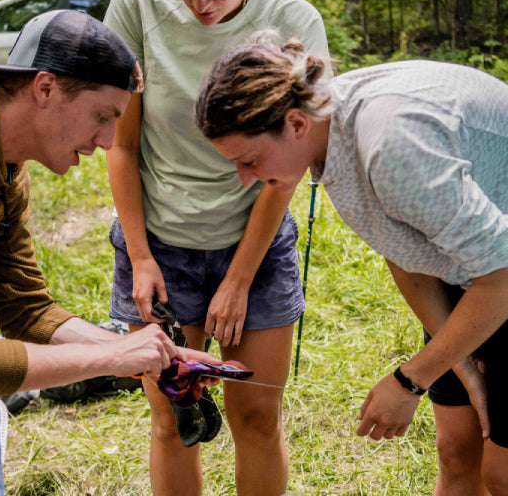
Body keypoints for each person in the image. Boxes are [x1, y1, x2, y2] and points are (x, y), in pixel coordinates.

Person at [0, 9, 218, 496]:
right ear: (46, 88)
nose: (109, 141)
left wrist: (152, 357)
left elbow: (24, 307)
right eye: (102, 117)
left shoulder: (4, 160)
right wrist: (113, 356)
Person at [195, 32, 508, 496]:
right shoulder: (330, 135)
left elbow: (502, 276)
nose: (246, 180)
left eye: (250, 160)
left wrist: (409, 380)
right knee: (458, 452)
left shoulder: (390, 146)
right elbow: (405, 249)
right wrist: (459, 364)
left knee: (500, 475)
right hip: (472, 272)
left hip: (497, 276)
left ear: (296, 123)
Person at [103, 0, 330, 494]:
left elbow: (287, 166)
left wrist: (238, 279)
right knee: (174, 418)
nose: (201, 3)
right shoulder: (135, 3)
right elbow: (121, 144)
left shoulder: (296, 19)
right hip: (159, 245)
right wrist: (141, 257)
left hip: (253, 244)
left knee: (255, 416)